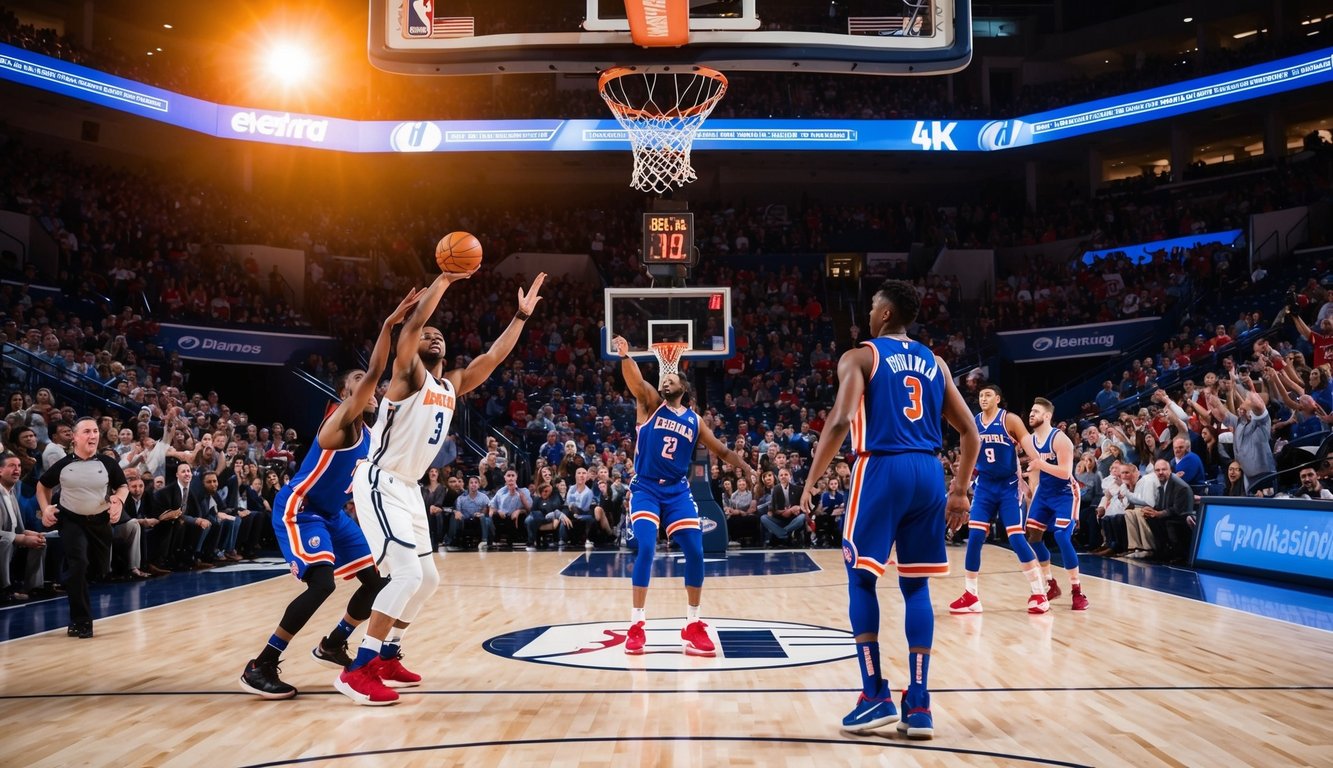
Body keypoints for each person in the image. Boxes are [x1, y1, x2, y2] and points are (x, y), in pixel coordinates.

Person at [339, 269, 546, 706]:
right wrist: (444, 283)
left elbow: (493, 357)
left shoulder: (451, 385)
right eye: (428, 334)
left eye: (440, 335)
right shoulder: (409, 375)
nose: (433, 337)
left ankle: (388, 654)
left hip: (409, 486)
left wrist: (521, 317)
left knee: (428, 578)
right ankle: (358, 668)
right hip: (381, 479)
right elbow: (411, 328)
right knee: (406, 573)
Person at [799, 279, 978, 739]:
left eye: (873, 305)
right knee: (916, 588)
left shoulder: (860, 355)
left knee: (862, 577)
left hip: (881, 467)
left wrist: (812, 478)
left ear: (882, 315)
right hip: (929, 473)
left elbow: (840, 419)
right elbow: (970, 433)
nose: (869, 311)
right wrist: (959, 491)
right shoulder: (936, 363)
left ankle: (874, 695)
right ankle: (918, 704)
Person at [239, 289, 420, 700]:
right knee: (322, 585)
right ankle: (261, 663)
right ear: (344, 395)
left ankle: (334, 642)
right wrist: (390, 326)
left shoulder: (373, 434)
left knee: (378, 580)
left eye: (367, 382)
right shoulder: (342, 421)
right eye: (359, 383)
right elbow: (375, 374)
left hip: (334, 514)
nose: (369, 386)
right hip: (301, 510)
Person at [612, 334, 756, 658]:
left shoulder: (694, 420)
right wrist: (625, 356)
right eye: (664, 378)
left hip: (677, 490)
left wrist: (745, 465)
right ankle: (636, 625)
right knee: (646, 547)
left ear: (684, 388)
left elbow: (720, 450)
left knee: (695, 548)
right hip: (646, 487)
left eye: (671, 378)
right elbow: (635, 382)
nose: (665, 381)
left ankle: (692, 624)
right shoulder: (649, 404)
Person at [948, 383, 1049, 615]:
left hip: (1008, 487)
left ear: (998, 399)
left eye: (988, 395)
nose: (983, 398)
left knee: (1015, 538)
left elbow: (1030, 448)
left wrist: (1036, 473)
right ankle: (971, 594)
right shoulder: (972, 421)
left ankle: (1039, 593)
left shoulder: (1010, 420)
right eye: (981, 395)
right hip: (984, 486)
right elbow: (968, 454)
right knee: (974, 538)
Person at [38, 417, 129, 638]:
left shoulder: (107, 463)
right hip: (71, 521)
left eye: (96, 431)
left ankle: (83, 583)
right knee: (78, 565)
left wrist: (119, 500)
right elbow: (43, 485)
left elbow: (123, 486)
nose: (93, 435)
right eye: (87, 431)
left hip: (99, 522)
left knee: (99, 570)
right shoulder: (63, 464)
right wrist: (46, 508)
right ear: (76, 437)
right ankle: (81, 621)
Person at [1024, 398, 1090, 612]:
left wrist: (1041, 464)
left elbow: (1065, 473)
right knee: (1033, 537)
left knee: (1062, 536)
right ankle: (1051, 584)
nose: (1031, 414)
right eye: (1031, 411)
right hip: (1044, 492)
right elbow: (1035, 470)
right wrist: (1032, 493)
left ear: (1047, 416)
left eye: (1036, 411)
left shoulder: (1061, 440)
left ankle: (1078, 591)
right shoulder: (1031, 439)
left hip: (1065, 493)